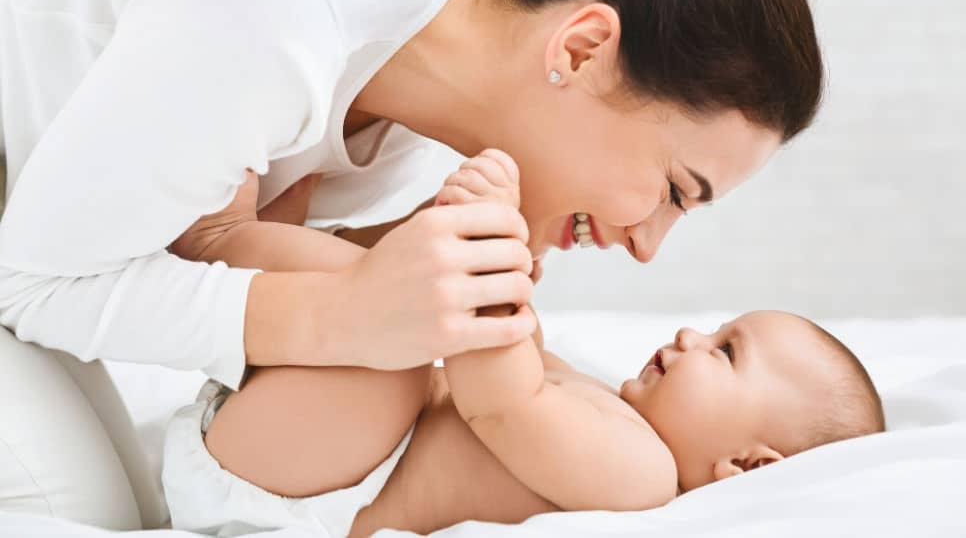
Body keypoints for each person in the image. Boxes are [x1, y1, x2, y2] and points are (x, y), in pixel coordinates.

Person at [0, 0, 822, 392]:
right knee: (90, 502)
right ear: (579, 50)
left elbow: (233, 272)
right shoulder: (277, 12)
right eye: (676, 191)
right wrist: (344, 312)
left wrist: (382, 274)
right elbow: (30, 281)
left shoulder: (434, 147)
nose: (645, 245)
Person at [161, 150, 884, 537]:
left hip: (309, 495)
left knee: (398, 348)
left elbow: (499, 400)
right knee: (385, 307)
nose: (693, 334)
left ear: (746, 467)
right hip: (311, 444)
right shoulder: (614, 413)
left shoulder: (640, 480)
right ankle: (275, 237)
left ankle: (216, 242)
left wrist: (486, 245)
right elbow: (522, 360)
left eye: (726, 351)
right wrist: (514, 288)